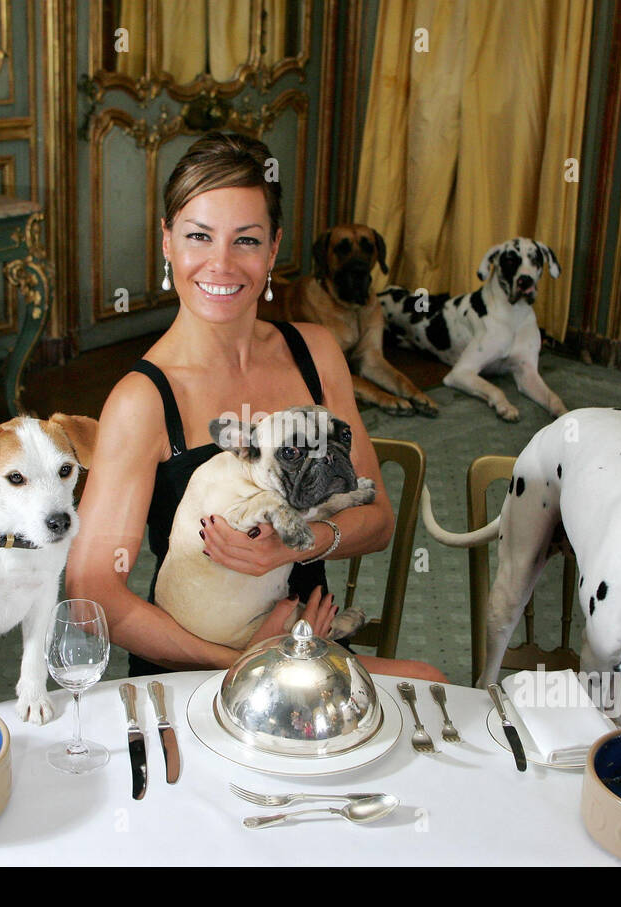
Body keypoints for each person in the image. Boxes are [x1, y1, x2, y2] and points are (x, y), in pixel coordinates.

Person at [66, 130, 445, 682]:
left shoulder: (315, 353)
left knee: (431, 682)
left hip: (305, 650)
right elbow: (88, 595)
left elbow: (378, 521)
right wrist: (245, 661)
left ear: (273, 248)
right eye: (199, 236)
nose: (220, 264)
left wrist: (297, 545)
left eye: (245, 240)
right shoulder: (143, 398)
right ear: (167, 242)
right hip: (195, 666)